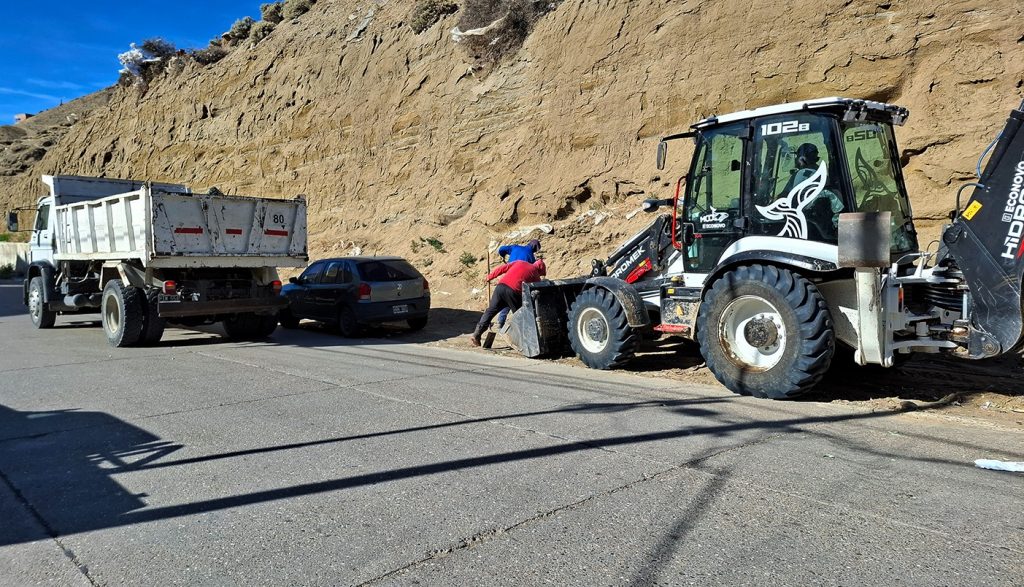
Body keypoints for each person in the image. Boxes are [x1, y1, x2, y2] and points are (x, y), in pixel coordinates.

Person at [471, 259, 546, 346]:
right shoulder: (535, 274)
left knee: (490, 311)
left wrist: (490, 276)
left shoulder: (520, 262)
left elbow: (503, 268)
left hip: (500, 287)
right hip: (513, 292)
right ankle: (525, 341)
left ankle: (476, 334)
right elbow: (534, 292)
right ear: (540, 270)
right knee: (521, 316)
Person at [494, 239, 540, 326]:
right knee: (516, 300)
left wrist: (502, 256)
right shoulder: (531, 258)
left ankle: (501, 321)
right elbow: (533, 272)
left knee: (507, 299)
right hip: (520, 282)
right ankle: (521, 323)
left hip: (508, 277)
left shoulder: (515, 247)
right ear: (534, 249)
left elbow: (501, 249)